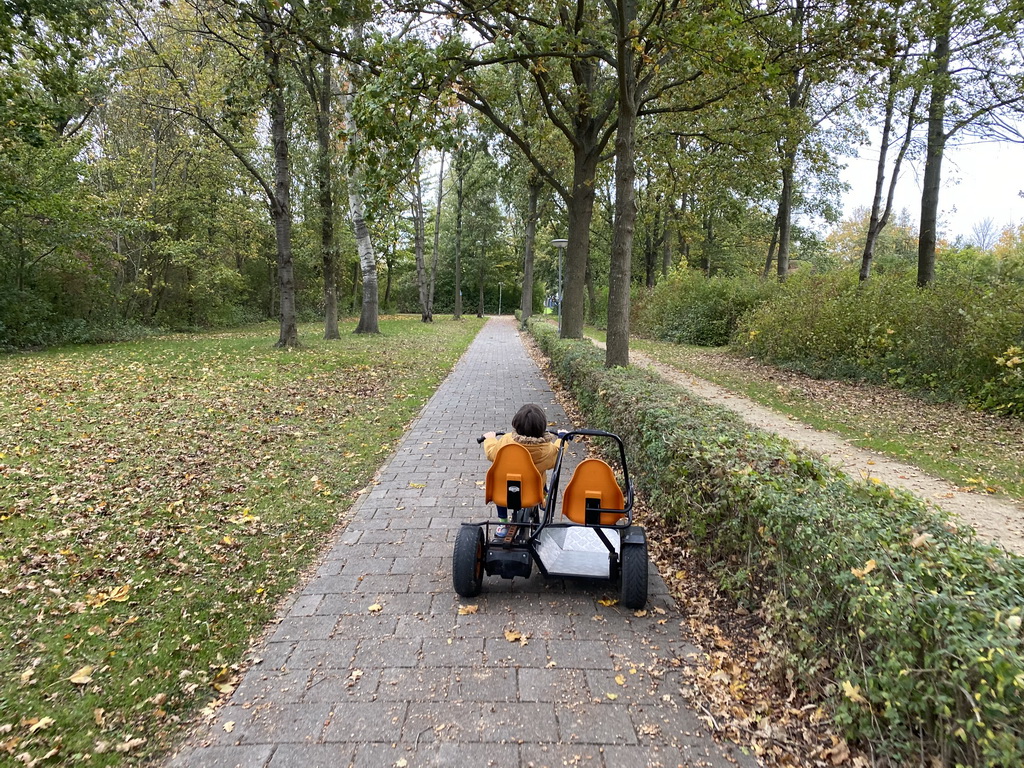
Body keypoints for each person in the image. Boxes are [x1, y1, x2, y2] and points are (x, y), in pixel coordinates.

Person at [482, 403, 560, 539]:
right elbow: (557, 455)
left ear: (516, 425)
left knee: (500, 484)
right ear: (542, 427)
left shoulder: (506, 440)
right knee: (540, 474)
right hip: (533, 492)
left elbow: (491, 453)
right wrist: (562, 439)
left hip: (504, 492)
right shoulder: (547, 448)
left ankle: (503, 523)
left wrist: (490, 439)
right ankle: (544, 498)